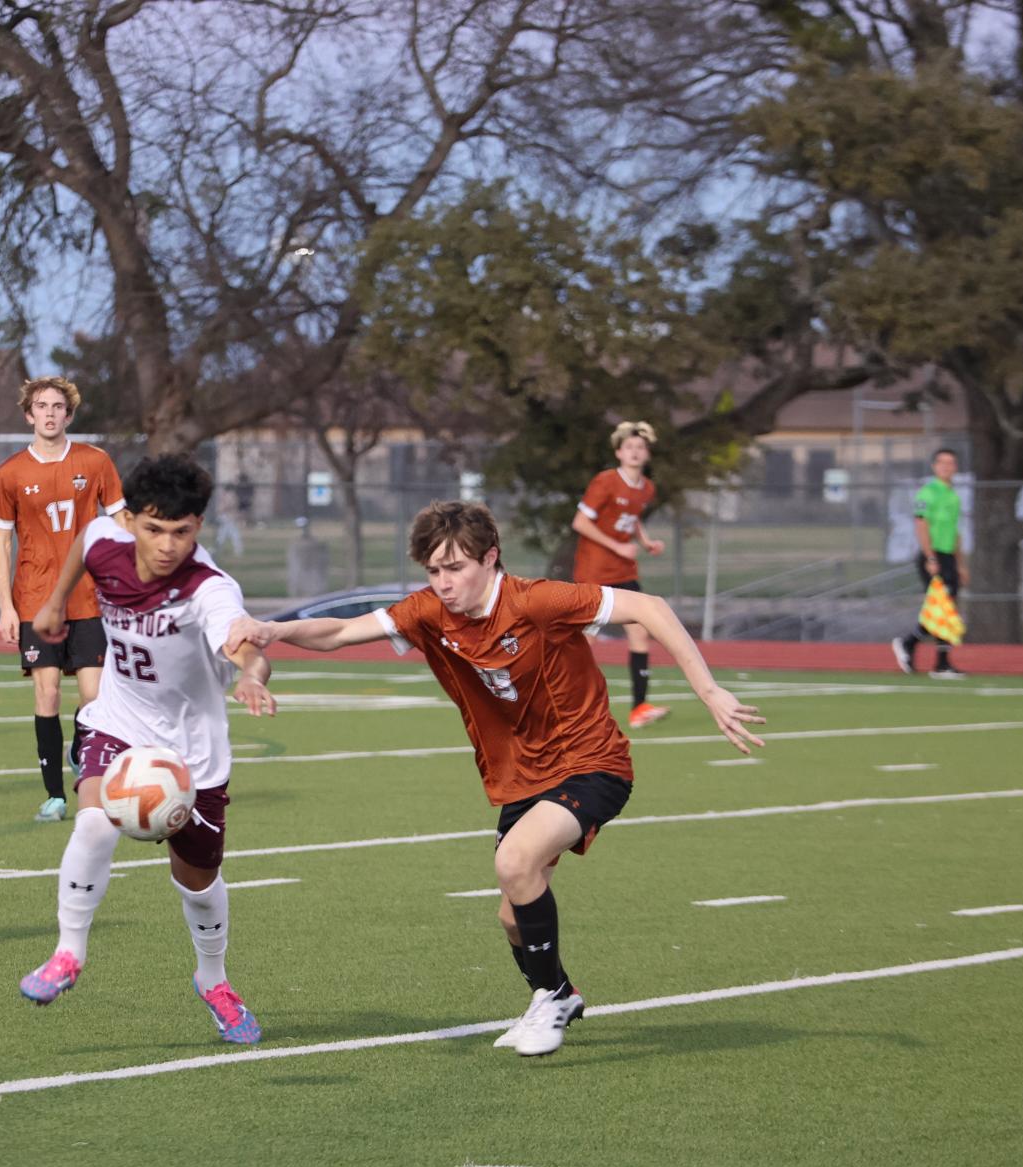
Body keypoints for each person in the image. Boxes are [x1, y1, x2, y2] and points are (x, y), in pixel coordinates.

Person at [226, 501, 764, 1057]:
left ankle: (553, 997)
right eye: (433, 571)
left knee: (514, 863)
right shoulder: (429, 612)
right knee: (512, 915)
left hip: (591, 762)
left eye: (455, 568)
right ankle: (555, 993)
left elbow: (649, 607)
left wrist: (710, 692)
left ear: (490, 558)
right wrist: (274, 629)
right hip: (521, 778)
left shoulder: (537, 600)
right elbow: (339, 631)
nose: (444, 582)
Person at [18, 453, 278, 1044]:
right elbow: (84, 542)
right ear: (130, 519)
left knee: (199, 881)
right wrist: (57, 602)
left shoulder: (208, 588)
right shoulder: (105, 539)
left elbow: (243, 641)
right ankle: (67, 954)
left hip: (194, 754)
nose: (166, 545)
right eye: (154, 528)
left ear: (199, 528)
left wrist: (251, 674)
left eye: (182, 532)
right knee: (92, 827)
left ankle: (213, 980)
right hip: (119, 721)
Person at [0, 375, 126, 822]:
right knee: (46, 695)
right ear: (29, 415)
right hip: (34, 600)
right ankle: (56, 796)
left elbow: (121, 519)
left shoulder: (95, 461)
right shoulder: (10, 472)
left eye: (57, 406)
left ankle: (81, 746)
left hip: (89, 598)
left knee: (94, 698)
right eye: (41, 406)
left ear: (69, 414)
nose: (49, 413)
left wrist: (131, 579)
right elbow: (0, 542)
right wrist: (6, 606)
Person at [572, 421, 669, 727]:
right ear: (619, 452)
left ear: (647, 453)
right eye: (629, 447)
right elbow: (580, 523)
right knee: (586, 640)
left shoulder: (647, 488)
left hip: (624, 570)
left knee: (641, 631)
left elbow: (632, 519)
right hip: (596, 569)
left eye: (640, 447)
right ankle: (573, 707)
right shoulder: (605, 482)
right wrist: (617, 545)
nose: (635, 452)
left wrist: (645, 542)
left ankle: (639, 708)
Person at [891, 447, 969, 680]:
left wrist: (961, 564)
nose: (947, 467)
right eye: (943, 463)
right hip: (933, 556)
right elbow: (921, 526)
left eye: (951, 463)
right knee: (940, 608)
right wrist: (930, 557)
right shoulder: (928, 493)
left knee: (947, 610)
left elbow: (955, 532)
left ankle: (941, 663)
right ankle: (909, 642)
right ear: (935, 466)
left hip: (948, 557)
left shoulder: (953, 496)